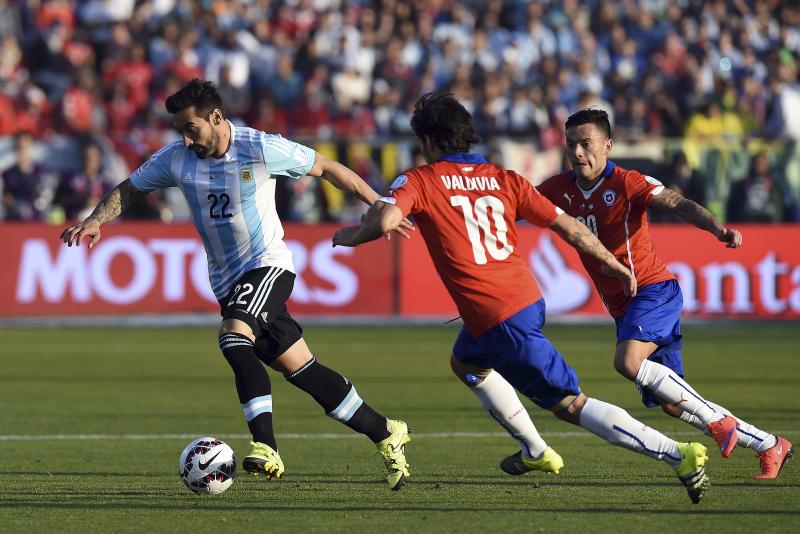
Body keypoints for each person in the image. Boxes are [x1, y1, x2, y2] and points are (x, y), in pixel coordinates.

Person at [332, 91, 710, 504]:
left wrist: (351, 237)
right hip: (524, 298)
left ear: (428, 140)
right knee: (467, 363)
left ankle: (678, 456)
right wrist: (614, 263)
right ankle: (535, 450)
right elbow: (570, 227)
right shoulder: (504, 178)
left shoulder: (420, 179)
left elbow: (387, 218)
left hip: (498, 316)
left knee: (570, 404)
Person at [59, 79, 413, 490]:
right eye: (180, 131)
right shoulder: (175, 158)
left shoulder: (259, 147)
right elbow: (129, 189)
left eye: (192, 129)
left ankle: (266, 447)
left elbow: (329, 169)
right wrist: (96, 219)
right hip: (228, 283)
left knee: (233, 337)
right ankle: (387, 431)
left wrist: (380, 204)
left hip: (268, 266)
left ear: (216, 117)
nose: (187, 140)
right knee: (301, 370)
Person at [537, 108, 792, 479]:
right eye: (571, 144)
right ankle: (770, 445)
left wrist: (717, 229)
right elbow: (510, 205)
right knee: (672, 403)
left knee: (627, 361)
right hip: (624, 308)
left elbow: (678, 203)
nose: (578, 153)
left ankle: (717, 422)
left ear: (607, 145)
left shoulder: (627, 182)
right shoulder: (557, 188)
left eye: (586, 144)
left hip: (654, 290)